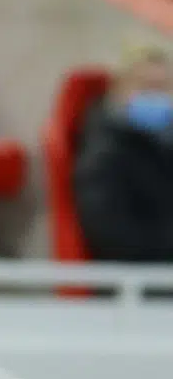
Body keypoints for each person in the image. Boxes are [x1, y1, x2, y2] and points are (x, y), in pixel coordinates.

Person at [74, 44, 173, 262]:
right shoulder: (104, 156)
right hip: (137, 285)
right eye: (147, 87)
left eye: (163, 87)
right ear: (118, 91)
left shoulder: (161, 145)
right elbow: (116, 240)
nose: (157, 96)